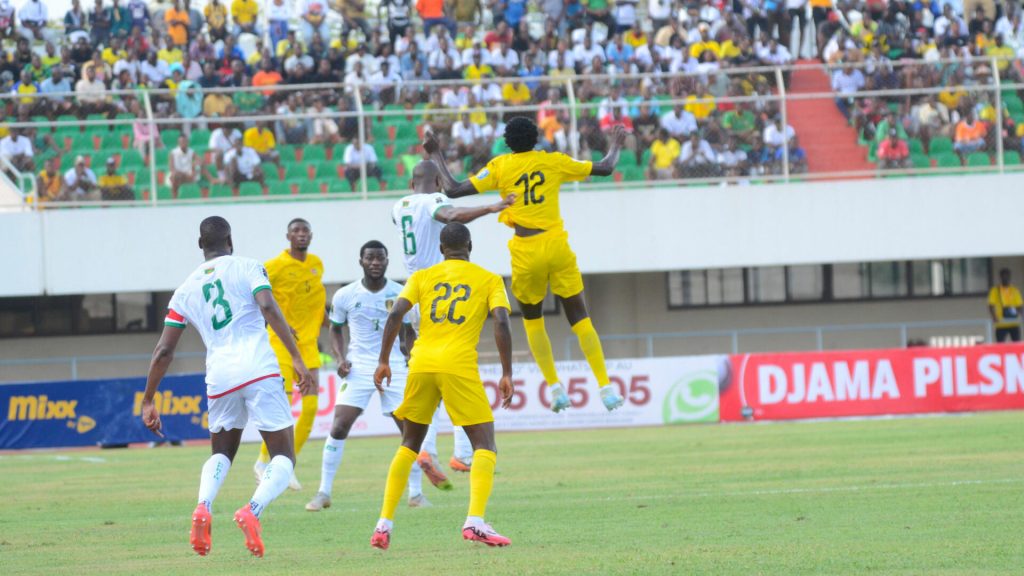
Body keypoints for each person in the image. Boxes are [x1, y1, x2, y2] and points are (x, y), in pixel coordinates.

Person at [424, 117, 627, 413]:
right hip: (556, 245)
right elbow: (606, 167)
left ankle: (556, 388)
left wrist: (436, 153)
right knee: (581, 319)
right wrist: (616, 144)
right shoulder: (553, 161)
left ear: (507, 142)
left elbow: (453, 189)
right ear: (537, 139)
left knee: (533, 321)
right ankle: (605, 387)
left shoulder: (501, 166)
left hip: (526, 250)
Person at [140, 216, 313, 558]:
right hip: (259, 370)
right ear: (230, 241)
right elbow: (266, 305)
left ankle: (203, 506)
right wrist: (295, 357)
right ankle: (252, 510)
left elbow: (164, 350)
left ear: (199, 245)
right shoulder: (248, 266)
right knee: (283, 457)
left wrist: (148, 399)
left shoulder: (185, 289)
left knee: (221, 452)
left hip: (219, 376)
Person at [370, 222, 514, 550]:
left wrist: (383, 360)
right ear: (471, 246)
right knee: (485, 445)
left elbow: (395, 317)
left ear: (440, 249)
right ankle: (475, 522)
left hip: (421, 363)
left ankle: (383, 524)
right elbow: (502, 321)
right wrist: (507, 372)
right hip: (457, 365)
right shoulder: (489, 279)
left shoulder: (422, 276)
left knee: (408, 443)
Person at [391, 160, 514, 473]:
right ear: (437, 181)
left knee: (427, 371)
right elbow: (451, 215)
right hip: (438, 289)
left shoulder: (398, 206)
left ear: (410, 182)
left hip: (413, 292)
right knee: (454, 368)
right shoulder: (434, 200)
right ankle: (459, 452)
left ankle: (425, 448)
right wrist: (491, 207)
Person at [305, 240, 433, 512]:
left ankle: (416, 494)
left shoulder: (402, 293)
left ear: (387, 261)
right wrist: (340, 359)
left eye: (380, 258)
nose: (375, 263)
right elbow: (336, 329)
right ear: (361, 261)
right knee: (339, 425)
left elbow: (410, 333)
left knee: (410, 429)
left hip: (394, 368)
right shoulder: (345, 295)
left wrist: (413, 359)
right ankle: (323, 492)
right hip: (359, 367)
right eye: (370, 258)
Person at [253, 219, 326, 491]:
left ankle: (286, 465)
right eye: (296, 230)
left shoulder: (317, 264)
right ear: (287, 236)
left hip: (308, 346)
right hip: (280, 345)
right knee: (282, 409)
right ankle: (265, 462)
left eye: (305, 230)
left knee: (309, 408)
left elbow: (313, 305)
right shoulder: (273, 266)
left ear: (311, 235)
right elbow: (258, 298)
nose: (301, 234)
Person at [988, 268, 1023, 342]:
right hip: (1001, 323)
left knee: (1016, 344)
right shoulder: (995, 290)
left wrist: (1021, 315)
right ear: (1000, 277)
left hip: (1014, 322)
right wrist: (994, 317)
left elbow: (1019, 305)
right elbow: (991, 305)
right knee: (1000, 344)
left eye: (1007, 276)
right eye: (1003, 276)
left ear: (1010, 277)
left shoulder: (1014, 290)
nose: (1005, 278)